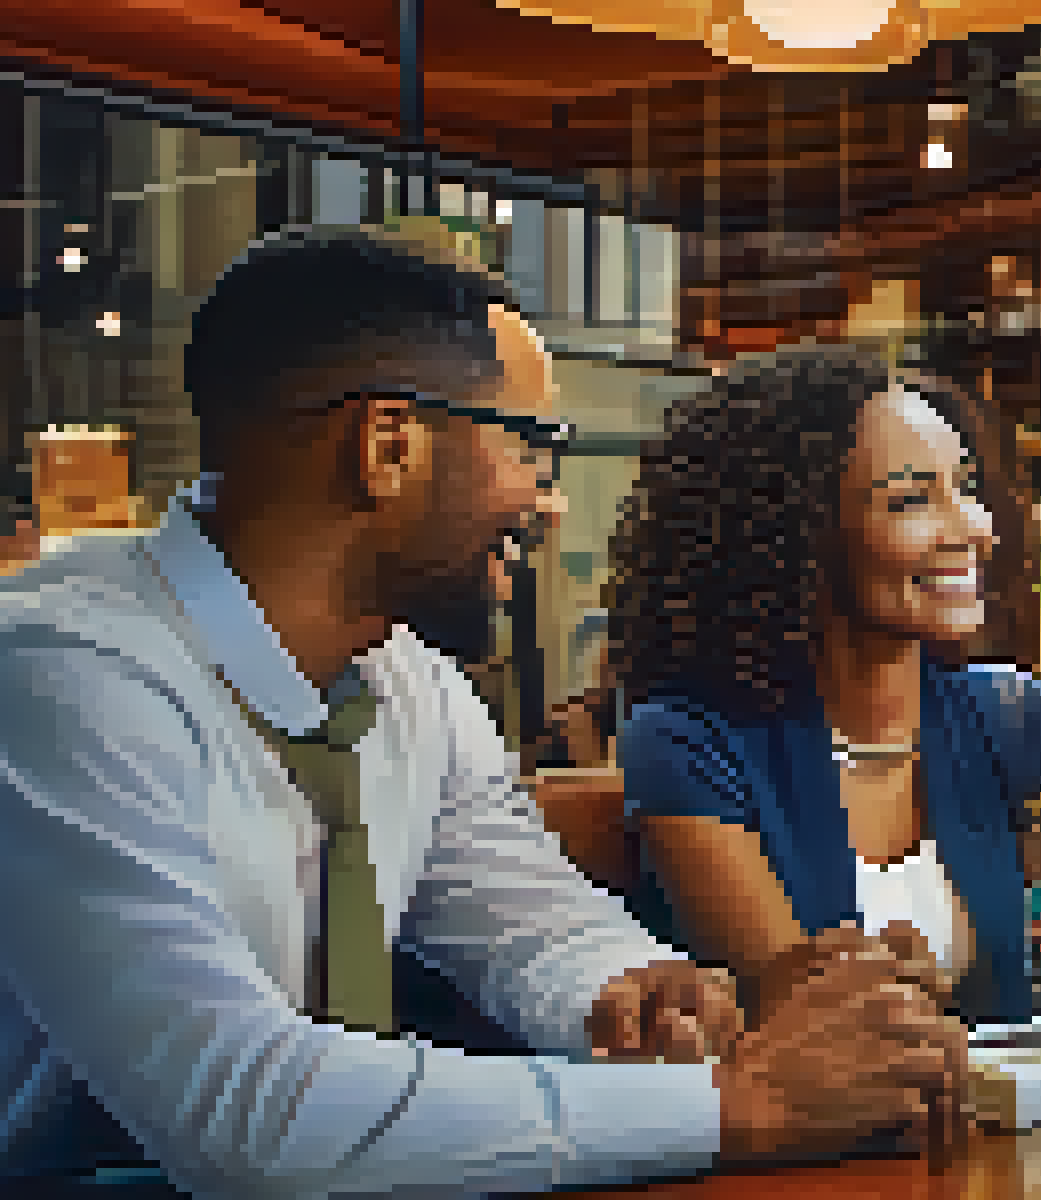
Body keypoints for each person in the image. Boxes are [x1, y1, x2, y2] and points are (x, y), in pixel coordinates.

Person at [0, 228, 964, 1195]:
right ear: (388, 447)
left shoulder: (407, 683)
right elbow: (242, 1109)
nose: (549, 504)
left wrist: (649, 995)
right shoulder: (64, 675)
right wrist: (741, 1104)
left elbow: (538, 926)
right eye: (531, 446)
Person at [611, 346, 1041, 1026]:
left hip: (1012, 1125)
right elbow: (804, 1013)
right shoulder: (688, 741)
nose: (972, 531)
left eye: (967, 488)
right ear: (798, 534)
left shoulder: (1015, 718)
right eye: (911, 501)